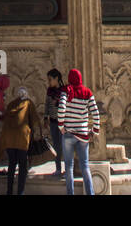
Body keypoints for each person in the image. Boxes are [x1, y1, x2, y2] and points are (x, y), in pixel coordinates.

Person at [58, 68, 100, 196]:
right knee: (85, 166)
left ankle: (70, 193)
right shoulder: (87, 92)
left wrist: (61, 126)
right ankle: (90, 193)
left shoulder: (66, 91)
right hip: (83, 135)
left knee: (69, 166)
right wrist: (95, 131)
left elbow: (61, 110)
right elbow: (96, 113)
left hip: (68, 134)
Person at [0, 86, 42, 196]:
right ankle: (20, 192)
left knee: (12, 164)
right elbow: (35, 120)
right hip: (21, 139)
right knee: (23, 166)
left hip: (9, 138)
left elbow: (4, 118)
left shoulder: (11, 104)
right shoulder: (28, 103)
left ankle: (9, 191)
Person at [43, 69, 65, 179]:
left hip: (62, 123)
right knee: (56, 146)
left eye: (50, 79)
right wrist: (45, 117)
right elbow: (47, 104)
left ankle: (66, 169)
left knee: (64, 146)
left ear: (56, 79)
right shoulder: (50, 91)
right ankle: (58, 168)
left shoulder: (64, 91)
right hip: (52, 122)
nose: (49, 82)